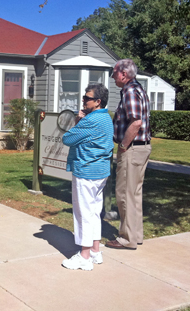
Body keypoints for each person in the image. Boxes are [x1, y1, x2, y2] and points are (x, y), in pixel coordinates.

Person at [61, 83, 114, 271]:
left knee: (83, 213)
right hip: (100, 172)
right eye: (84, 97)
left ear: (98, 101)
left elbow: (67, 138)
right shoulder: (106, 118)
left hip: (86, 172)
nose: (83, 100)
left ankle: (84, 256)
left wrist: (78, 120)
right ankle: (95, 251)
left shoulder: (91, 121)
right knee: (93, 212)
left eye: (87, 98)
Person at [106, 58, 152, 250]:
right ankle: (135, 235)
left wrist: (124, 145)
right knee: (134, 193)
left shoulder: (130, 92)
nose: (113, 76)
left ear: (123, 74)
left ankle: (126, 238)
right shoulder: (139, 89)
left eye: (114, 73)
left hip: (132, 148)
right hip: (142, 147)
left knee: (124, 194)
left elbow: (136, 122)